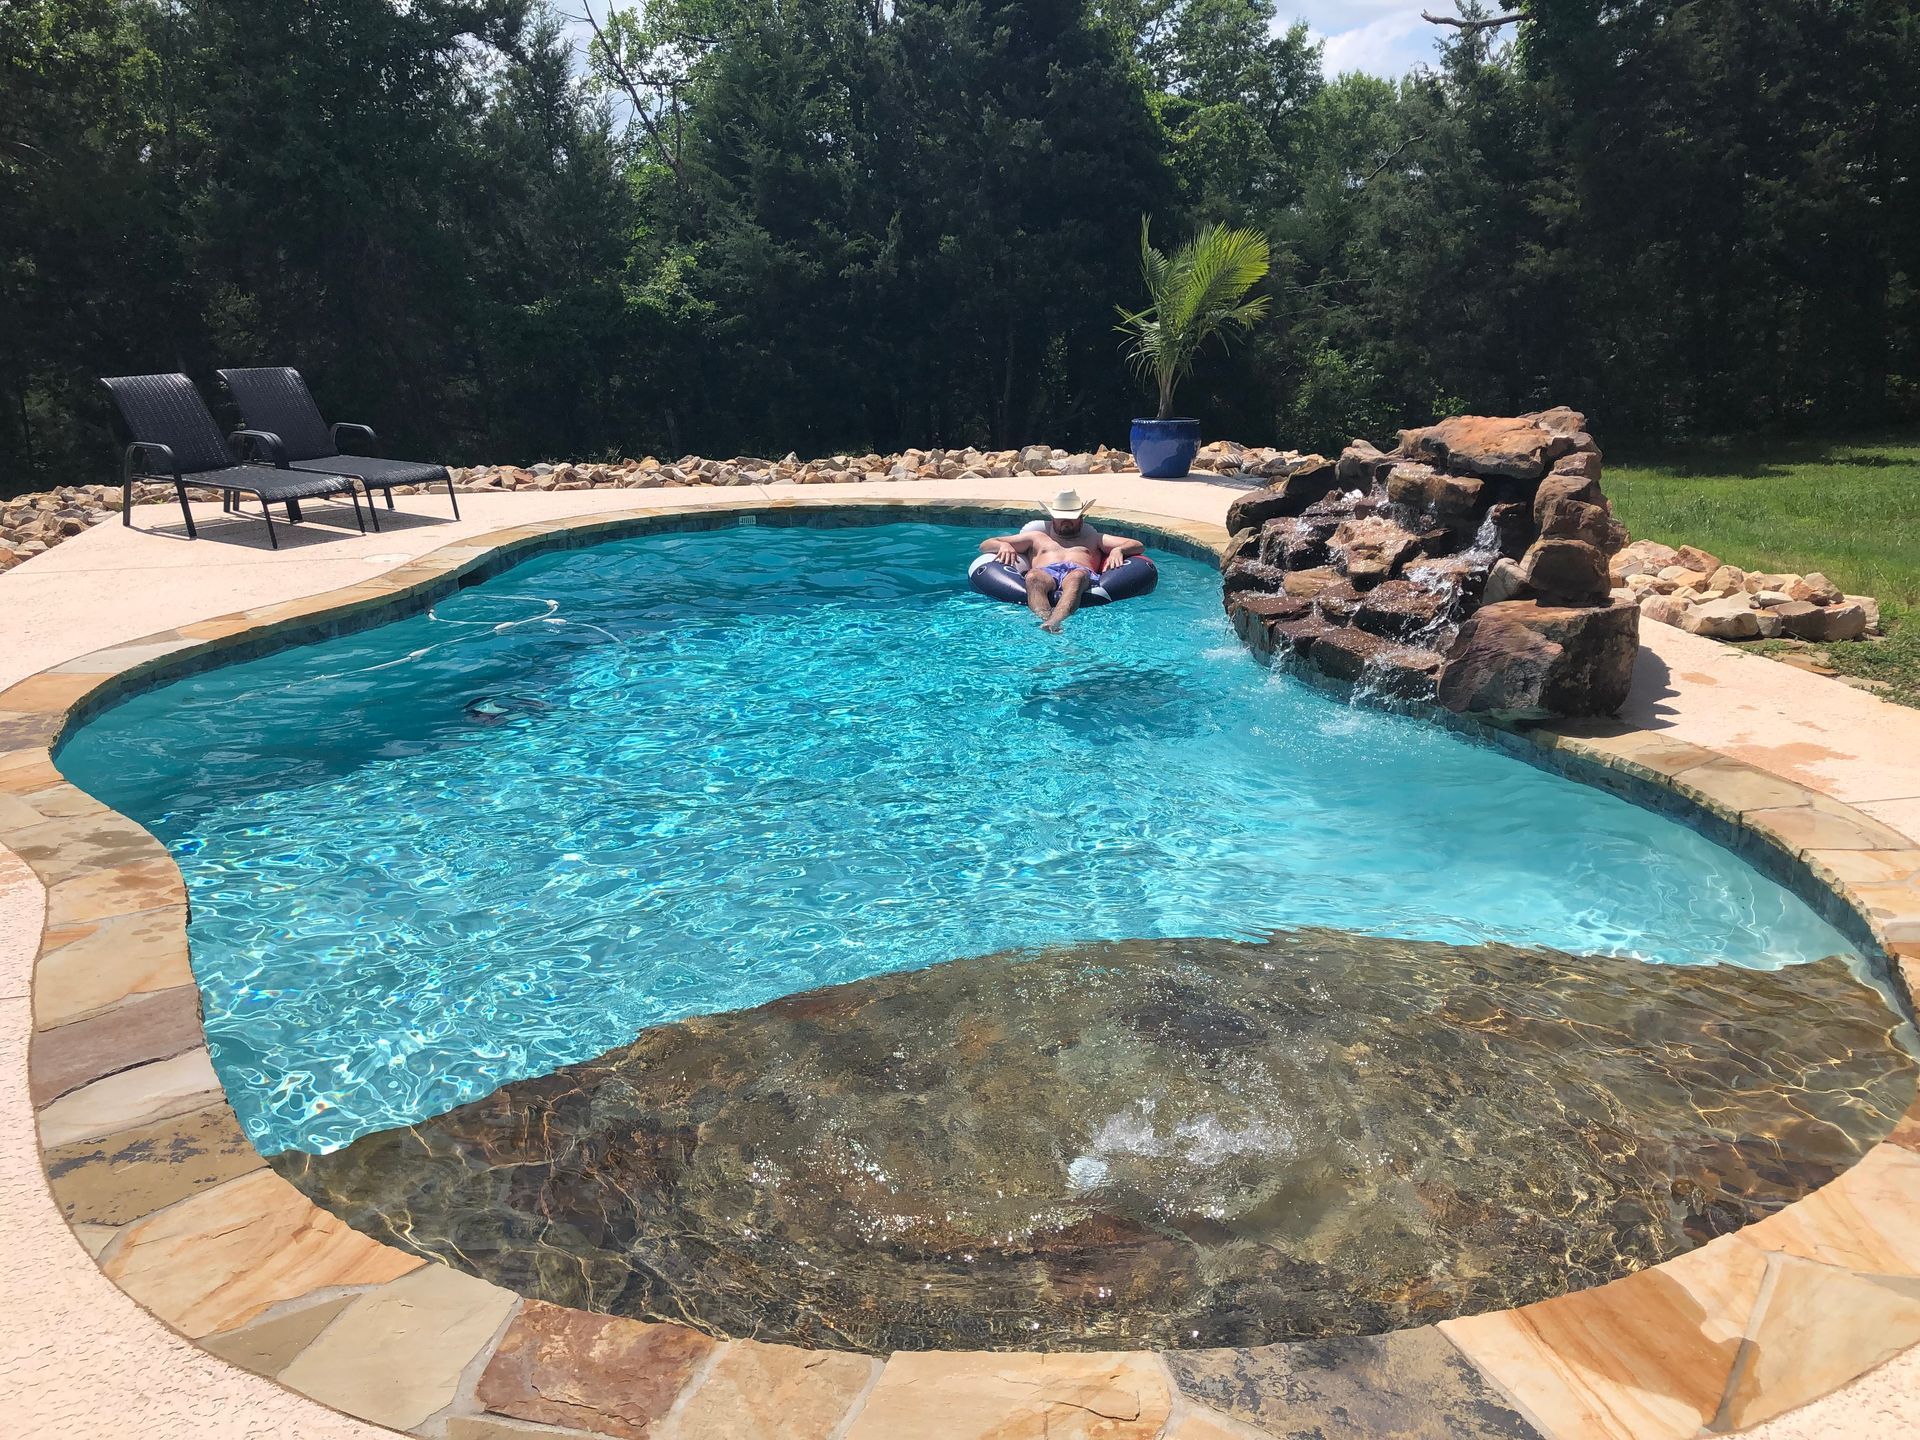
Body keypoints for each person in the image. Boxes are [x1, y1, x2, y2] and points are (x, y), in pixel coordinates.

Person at [978, 490, 1144, 632]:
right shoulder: (1037, 537)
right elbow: (985, 545)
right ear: (1053, 518)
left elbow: (1137, 545)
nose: (1066, 522)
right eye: (1061, 517)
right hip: (1045, 572)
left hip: (1079, 573)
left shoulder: (1093, 538)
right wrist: (1004, 545)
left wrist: (1118, 549)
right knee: (1033, 576)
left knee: (1076, 576)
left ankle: (1054, 622)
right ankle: (1044, 619)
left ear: (1081, 518)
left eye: (1071, 517)